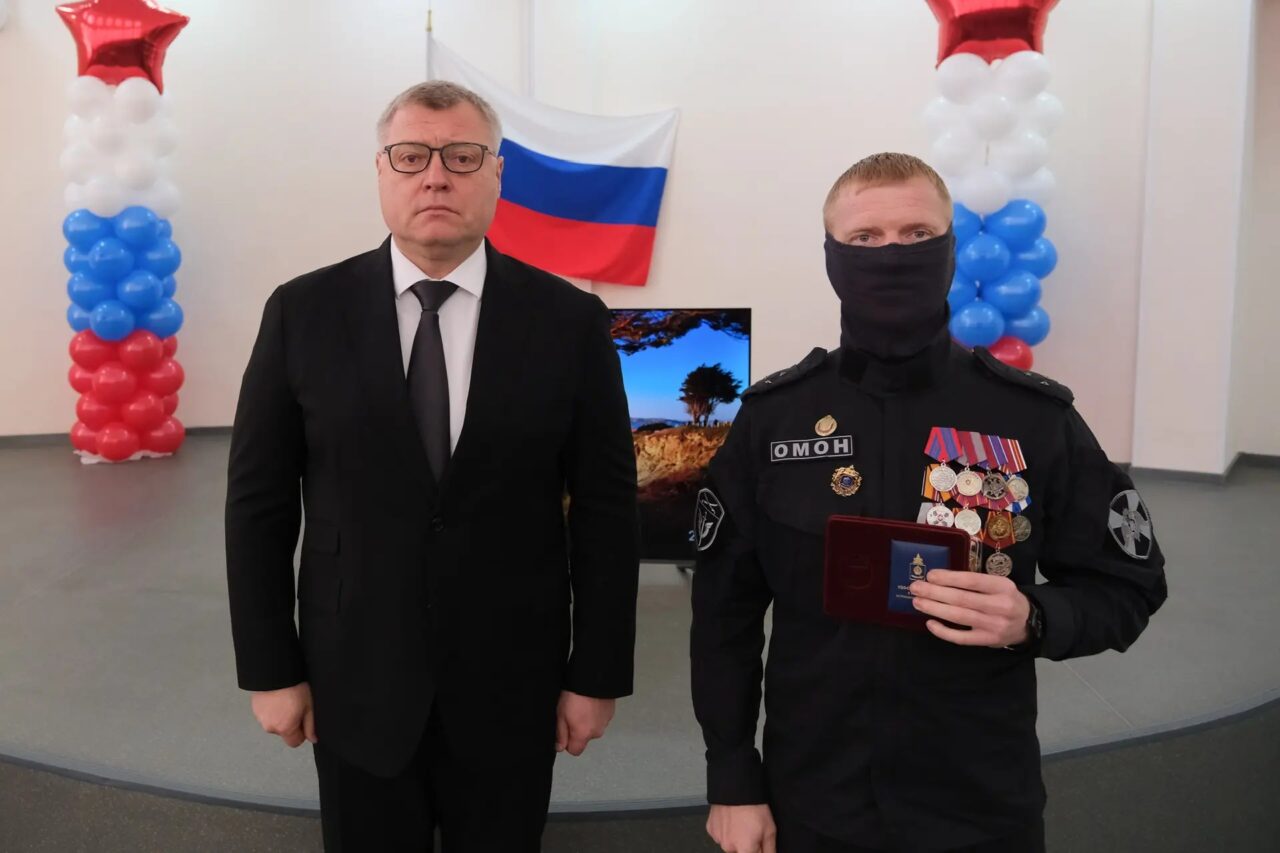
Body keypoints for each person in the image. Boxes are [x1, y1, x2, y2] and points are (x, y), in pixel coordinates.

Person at [690, 152, 1167, 853]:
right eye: (866, 237)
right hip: (815, 796)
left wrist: (1035, 617)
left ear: (950, 247)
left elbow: (1130, 583)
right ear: (831, 257)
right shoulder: (774, 420)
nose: (892, 254)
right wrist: (732, 777)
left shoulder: (1031, 418)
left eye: (917, 234)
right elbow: (722, 615)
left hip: (978, 799)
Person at [225, 81, 639, 852]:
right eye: (412, 156)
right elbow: (258, 505)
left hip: (512, 681)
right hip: (354, 677)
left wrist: (596, 673)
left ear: (498, 172)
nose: (437, 177)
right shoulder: (302, 312)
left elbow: (607, 512)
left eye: (462, 156)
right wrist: (270, 666)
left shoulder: (570, 322)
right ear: (381, 170)